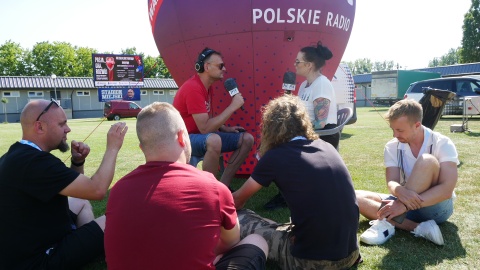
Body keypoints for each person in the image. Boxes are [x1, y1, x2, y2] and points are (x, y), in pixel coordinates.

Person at [104, 102, 268, 270]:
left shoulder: (118, 190)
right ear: (182, 137)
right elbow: (230, 242)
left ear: (142, 147)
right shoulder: (213, 188)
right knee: (257, 241)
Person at [232, 95, 361, 269]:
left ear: (270, 126)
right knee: (273, 226)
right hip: (350, 253)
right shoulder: (326, 147)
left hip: (311, 261)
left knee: (242, 218)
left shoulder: (275, 156)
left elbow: (237, 201)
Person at [0, 98, 127, 269]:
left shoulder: (19, 154)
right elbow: (97, 190)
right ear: (40, 127)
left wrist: (77, 162)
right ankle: (88, 248)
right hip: (39, 260)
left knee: (81, 202)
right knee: (116, 218)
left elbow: (77, 192)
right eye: (62, 124)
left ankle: (89, 249)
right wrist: (113, 147)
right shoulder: (36, 162)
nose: (68, 129)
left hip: (25, 246)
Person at [356, 99, 458, 246]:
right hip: (405, 201)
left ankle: (388, 221)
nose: (395, 135)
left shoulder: (442, 142)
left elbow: (446, 190)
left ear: (417, 125)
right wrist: (398, 190)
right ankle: (418, 228)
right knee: (354, 196)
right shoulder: (392, 146)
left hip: (435, 207)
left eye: (400, 130)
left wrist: (402, 205)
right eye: (393, 129)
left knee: (427, 160)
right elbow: (391, 181)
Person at [264, 41, 337, 210]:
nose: (294, 65)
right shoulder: (305, 85)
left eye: (298, 62)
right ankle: (286, 191)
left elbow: (321, 121)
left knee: (281, 148)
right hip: (306, 133)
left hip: (322, 135)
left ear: (309, 65)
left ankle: (285, 194)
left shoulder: (322, 84)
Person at [173, 47, 254, 188]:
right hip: (185, 138)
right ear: (207, 67)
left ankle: (223, 186)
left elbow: (206, 117)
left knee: (247, 139)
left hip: (200, 136)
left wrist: (225, 128)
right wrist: (233, 106)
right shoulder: (193, 88)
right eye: (220, 65)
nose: (224, 69)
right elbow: (205, 129)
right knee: (214, 139)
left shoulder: (207, 87)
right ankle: (210, 189)